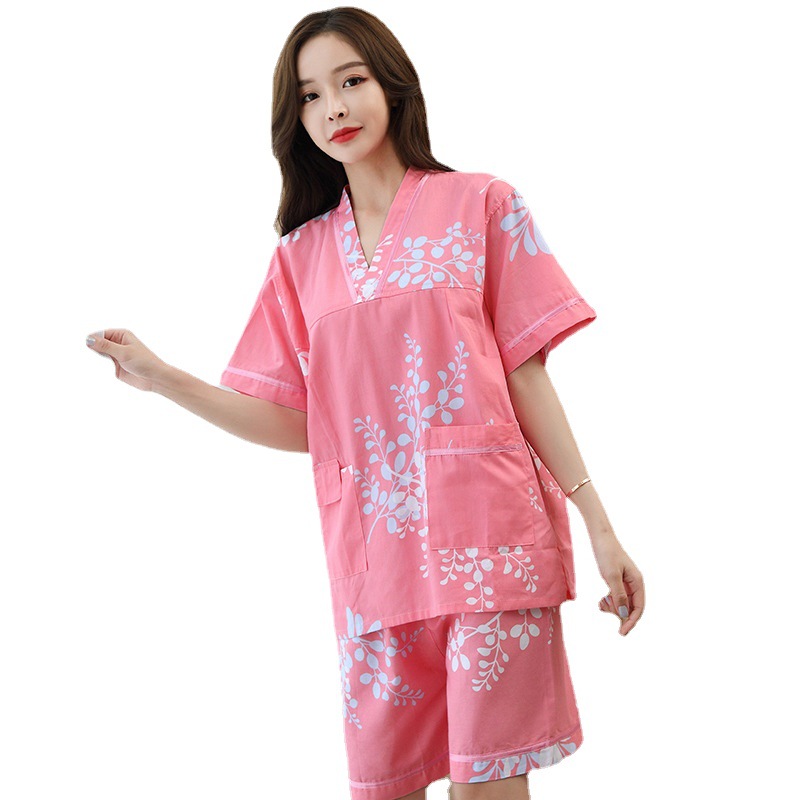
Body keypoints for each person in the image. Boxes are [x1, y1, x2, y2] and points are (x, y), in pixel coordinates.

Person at [85, 7, 645, 800]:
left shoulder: (482, 204)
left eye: (350, 81)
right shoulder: (300, 258)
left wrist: (600, 526)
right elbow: (302, 422)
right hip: (374, 558)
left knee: (486, 786)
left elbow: (526, 376)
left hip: (489, 544)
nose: (335, 107)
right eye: (311, 96)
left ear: (392, 85)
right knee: (390, 785)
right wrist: (165, 378)